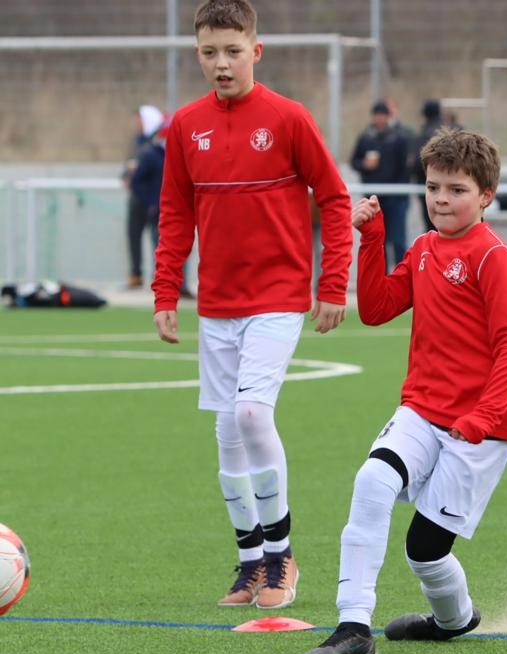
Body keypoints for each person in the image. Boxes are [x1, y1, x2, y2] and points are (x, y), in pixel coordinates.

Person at [151, 0, 353, 610]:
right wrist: (166, 291)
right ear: (197, 55)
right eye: (209, 52)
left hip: (278, 298)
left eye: (233, 51)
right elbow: (175, 212)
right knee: (226, 428)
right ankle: (248, 563)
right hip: (217, 303)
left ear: (255, 52)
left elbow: (335, 199)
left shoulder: (289, 118)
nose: (222, 63)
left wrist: (333, 284)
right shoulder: (186, 126)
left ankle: (281, 556)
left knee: (250, 415)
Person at [302, 128, 507, 654]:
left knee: (424, 552)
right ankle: (353, 626)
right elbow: (377, 308)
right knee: (372, 481)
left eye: (456, 190)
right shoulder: (425, 248)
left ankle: (454, 620)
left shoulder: (493, 258)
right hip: (423, 410)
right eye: (432, 188)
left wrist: (482, 417)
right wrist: (372, 238)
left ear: (486, 196)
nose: (441, 199)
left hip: (481, 428)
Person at [130, 114, 195, 300]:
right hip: (159, 213)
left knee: (182, 248)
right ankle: (165, 288)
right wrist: (152, 202)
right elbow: (137, 182)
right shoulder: (152, 155)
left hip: (181, 212)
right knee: (164, 249)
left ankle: (181, 285)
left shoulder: (181, 153)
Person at [351, 100, 411, 270]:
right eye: (376, 115)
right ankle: (381, 277)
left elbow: (405, 167)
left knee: (398, 240)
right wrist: (364, 165)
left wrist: (400, 190)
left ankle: (402, 275)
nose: (379, 119)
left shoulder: (399, 138)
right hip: (373, 199)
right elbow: (354, 161)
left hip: (395, 198)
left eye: (382, 115)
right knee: (378, 242)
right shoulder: (365, 137)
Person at [123, 104, 164, 289]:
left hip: (154, 199)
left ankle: (159, 276)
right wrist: (127, 176)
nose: (137, 123)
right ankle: (135, 274)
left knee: (158, 239)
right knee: (133, 235)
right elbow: (129, 164)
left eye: (139, 119)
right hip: (137, 197)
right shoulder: (137, 141)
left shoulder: (156, 142)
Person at [413, 99, 444, 231]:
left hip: (428, 186)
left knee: (432, 228)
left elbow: (417, 163)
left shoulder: (425, 135)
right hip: (451, 185)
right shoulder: (452, 130)